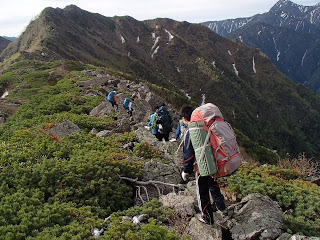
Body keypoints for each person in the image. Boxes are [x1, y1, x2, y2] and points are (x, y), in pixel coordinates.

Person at [180, 104, 226, 225]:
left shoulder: (190, 131)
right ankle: (222, 208)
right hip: (212, 161)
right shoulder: (204, 126)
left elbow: (189, 155)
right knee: (213, 184)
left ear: (184, 119)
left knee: (202, 192)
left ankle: (207, 217)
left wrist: (186, 170)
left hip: (202, 166)